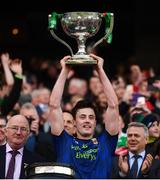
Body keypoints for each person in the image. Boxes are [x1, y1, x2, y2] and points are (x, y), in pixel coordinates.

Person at [49, 54, 119, 179]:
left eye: (91, 117)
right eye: (82, 117)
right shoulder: (64, 141)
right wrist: (65, 70)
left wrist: (100, 70)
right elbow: (54, 105)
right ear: (74, 122)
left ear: (96, 122)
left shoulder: (106, 142)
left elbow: (113, 105)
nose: (87, 120)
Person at [0, 114, 45, 179]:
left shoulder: (37, 162)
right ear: (6, 131)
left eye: (23, 129)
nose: (18, 132)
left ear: (28, 134)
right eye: (14, 128)